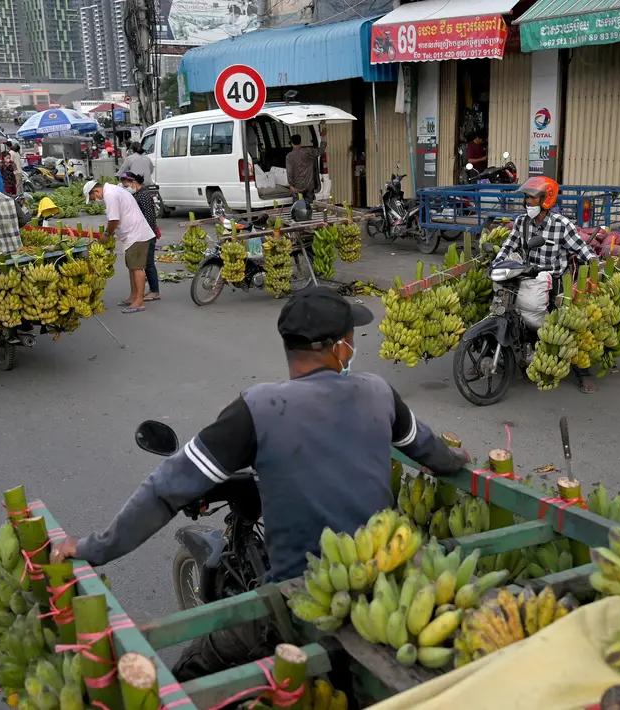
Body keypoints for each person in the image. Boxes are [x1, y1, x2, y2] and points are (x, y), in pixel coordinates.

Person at [49, 287, 470, 680]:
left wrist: (92, 547)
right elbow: (429, 448)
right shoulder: (378, 391)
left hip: (297, 599)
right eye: (352, 337)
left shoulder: (258, 408)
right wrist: (458, 460)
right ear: (341, 347)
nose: (353, 346)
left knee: (192, 671)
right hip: (390, 584)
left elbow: (164, 490)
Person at [495, 176, 601, 392]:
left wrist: (595, 265)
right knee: (506, 310)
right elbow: (508, 246)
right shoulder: (521, 222)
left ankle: (582, 372)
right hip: (527, 275)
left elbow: (582, 249)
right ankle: (500, 354)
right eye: (526, 198)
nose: (528, 202)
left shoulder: (561, 225)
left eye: (532, 198)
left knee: (568, 326)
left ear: (546, 200)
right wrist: (497, 262)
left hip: (554, 280)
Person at [85, 179, 156, 313]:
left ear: (96, 191)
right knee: (131, 267)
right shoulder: (112, 191)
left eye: (93, 197)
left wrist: (106, 234)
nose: (95, 200)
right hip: (132, 234)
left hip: (137, 234)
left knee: (137, 268)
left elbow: (113, 219)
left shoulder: (110, 194)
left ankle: (139, 302)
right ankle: (133, 296)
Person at [120, 171, 161, 302]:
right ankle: (149, 290)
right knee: (145, 263)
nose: (126, 188)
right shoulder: (137, 194)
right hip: (142, 233)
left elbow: (149, 217)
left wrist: (148, 234)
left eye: (126, 185)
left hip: (147, 233)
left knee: (148, 263)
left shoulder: (144, 195)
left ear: (133, 182)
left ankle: (155, 291)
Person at [285, 133, 324, 203]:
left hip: (298, 186)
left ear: (291, 143)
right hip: (309, 185)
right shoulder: (308, 151)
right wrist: (323, 138)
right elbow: (321, 150)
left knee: (298, 206)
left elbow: (289, 172)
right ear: (300, 142)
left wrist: (291, 185)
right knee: (309, 206)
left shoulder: (289, 156)